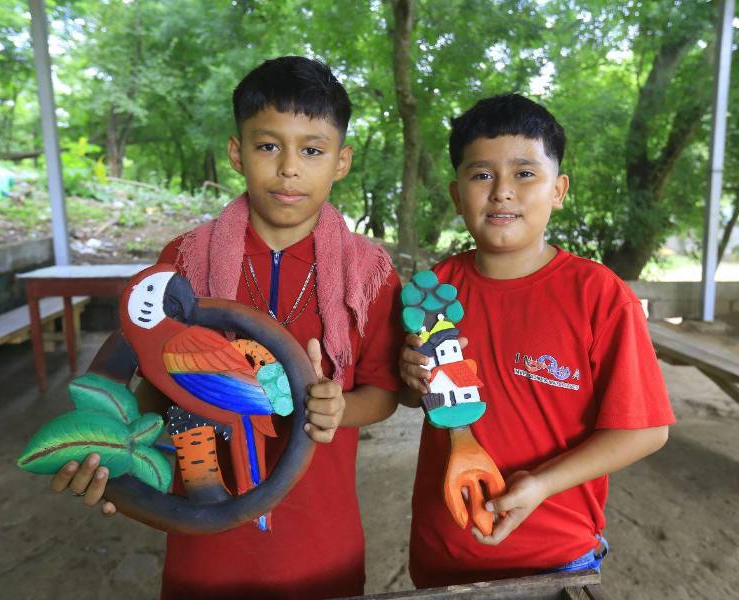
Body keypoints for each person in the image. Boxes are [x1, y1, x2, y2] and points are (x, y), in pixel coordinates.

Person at [51, 56, 403, 599]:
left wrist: (338, 407)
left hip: (322, 541)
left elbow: (383, 391)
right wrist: (117, 459)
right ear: (237, 153)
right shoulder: (182, 264)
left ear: (341, 161)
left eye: (312, 150)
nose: (289, 168)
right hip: (203, 540)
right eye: (268, 146)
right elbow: (145, 379)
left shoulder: (370, 274)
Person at [399, 93, 675, 587]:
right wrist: (407, 378)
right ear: (456, 194)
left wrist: (541, 485)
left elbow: (645, 430)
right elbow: (418, 396)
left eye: (525, 173)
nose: (502, 191)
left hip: (558, 561)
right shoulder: (433, 289)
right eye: (482, 174)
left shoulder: (599, 296)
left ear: (559, 189)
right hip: (443, 554)